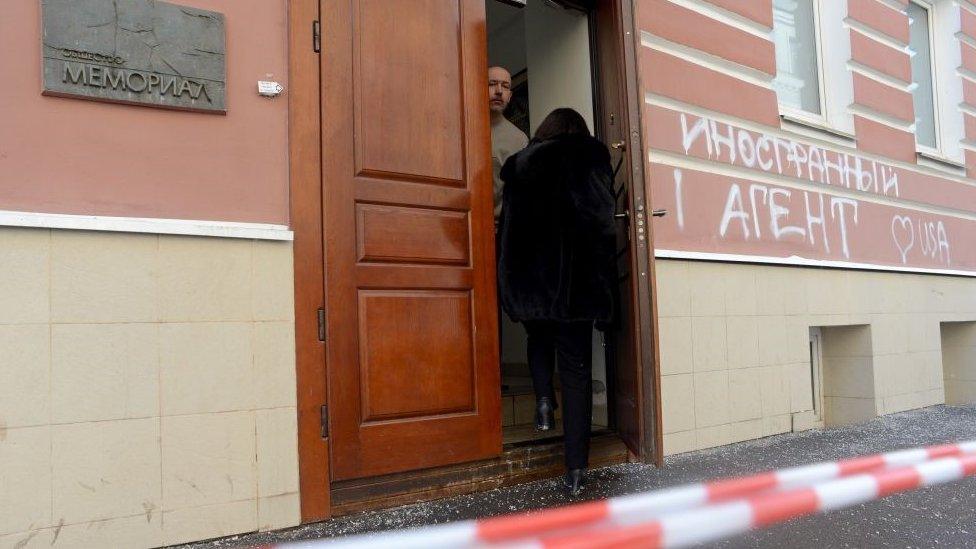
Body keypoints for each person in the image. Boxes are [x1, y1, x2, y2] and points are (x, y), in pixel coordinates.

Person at [497, 108, 617, 496]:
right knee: (577, 371)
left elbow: (509, 235)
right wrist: (606, 294)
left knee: (538, 341)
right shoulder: (592, 157)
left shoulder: (520, 165)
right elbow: (602, 227)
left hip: (534, 283)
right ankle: (576, 469)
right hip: (577, 287)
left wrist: (512, 286)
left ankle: (544, 401)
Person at [488, 66, 528, 222]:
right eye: (492, 84)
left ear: (510, 96)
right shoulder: (460, 129)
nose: (499, 91)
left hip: (498, 231)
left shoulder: (519, 139)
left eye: (505, 86)